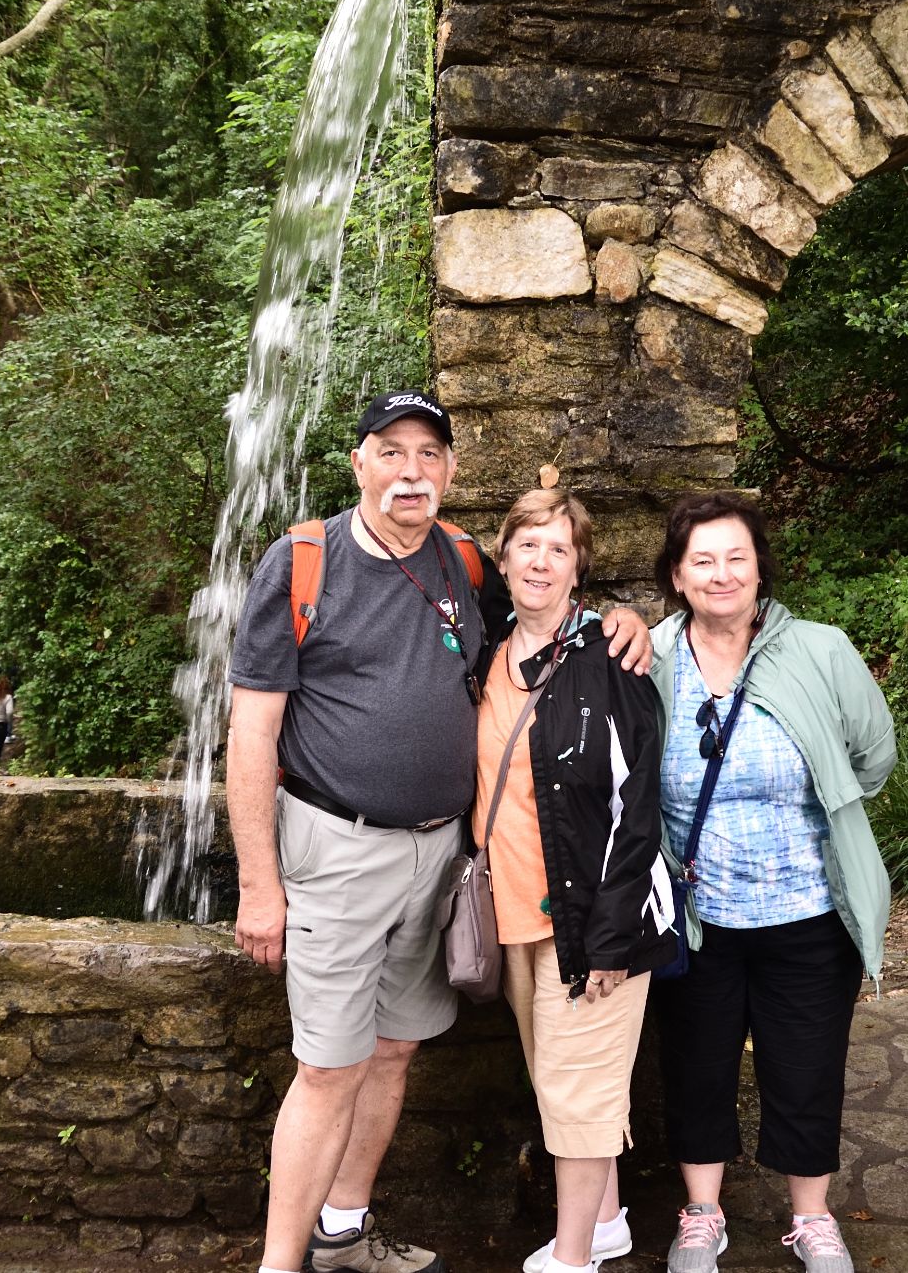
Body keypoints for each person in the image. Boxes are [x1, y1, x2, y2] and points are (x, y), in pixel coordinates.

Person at [225, 391, 652, 1273]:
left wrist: (622, 618)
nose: (410, 470)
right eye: (390, 451)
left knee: (393, 1049)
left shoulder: (462, 561)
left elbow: (548, 609)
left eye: (429, 454)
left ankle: (343, 1230)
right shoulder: (304, 562)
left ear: (450, 473)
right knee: (329, 1065)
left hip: (442, 859)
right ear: (359, 464)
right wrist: (259, 883)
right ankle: (278, 1264)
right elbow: (251, 732)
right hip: (335, 848)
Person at [646, 492, 896, 1273]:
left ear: (760, 569)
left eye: (736, 558)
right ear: (677, 576)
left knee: (807, 1063)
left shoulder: (819, 649)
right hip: (698, 913)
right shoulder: (649, 657)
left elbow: (873, 754)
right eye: (702, 561)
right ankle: (701, 1214)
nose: (721, 574)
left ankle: (812, 1217)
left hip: (808, 909)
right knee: (696, 1064)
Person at [469, 490, 675, 1273]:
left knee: (580, 1099)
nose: (540, 561)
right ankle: (611, 1217)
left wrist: (612, 935)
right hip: (515, 915)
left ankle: (574, 1256)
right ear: (504, 557)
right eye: (527, 545)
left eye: (558, 549)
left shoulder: (610, 662)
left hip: (591, 922)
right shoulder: (487, 648)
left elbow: (639, 805)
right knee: (564, 1092)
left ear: (577, 568)